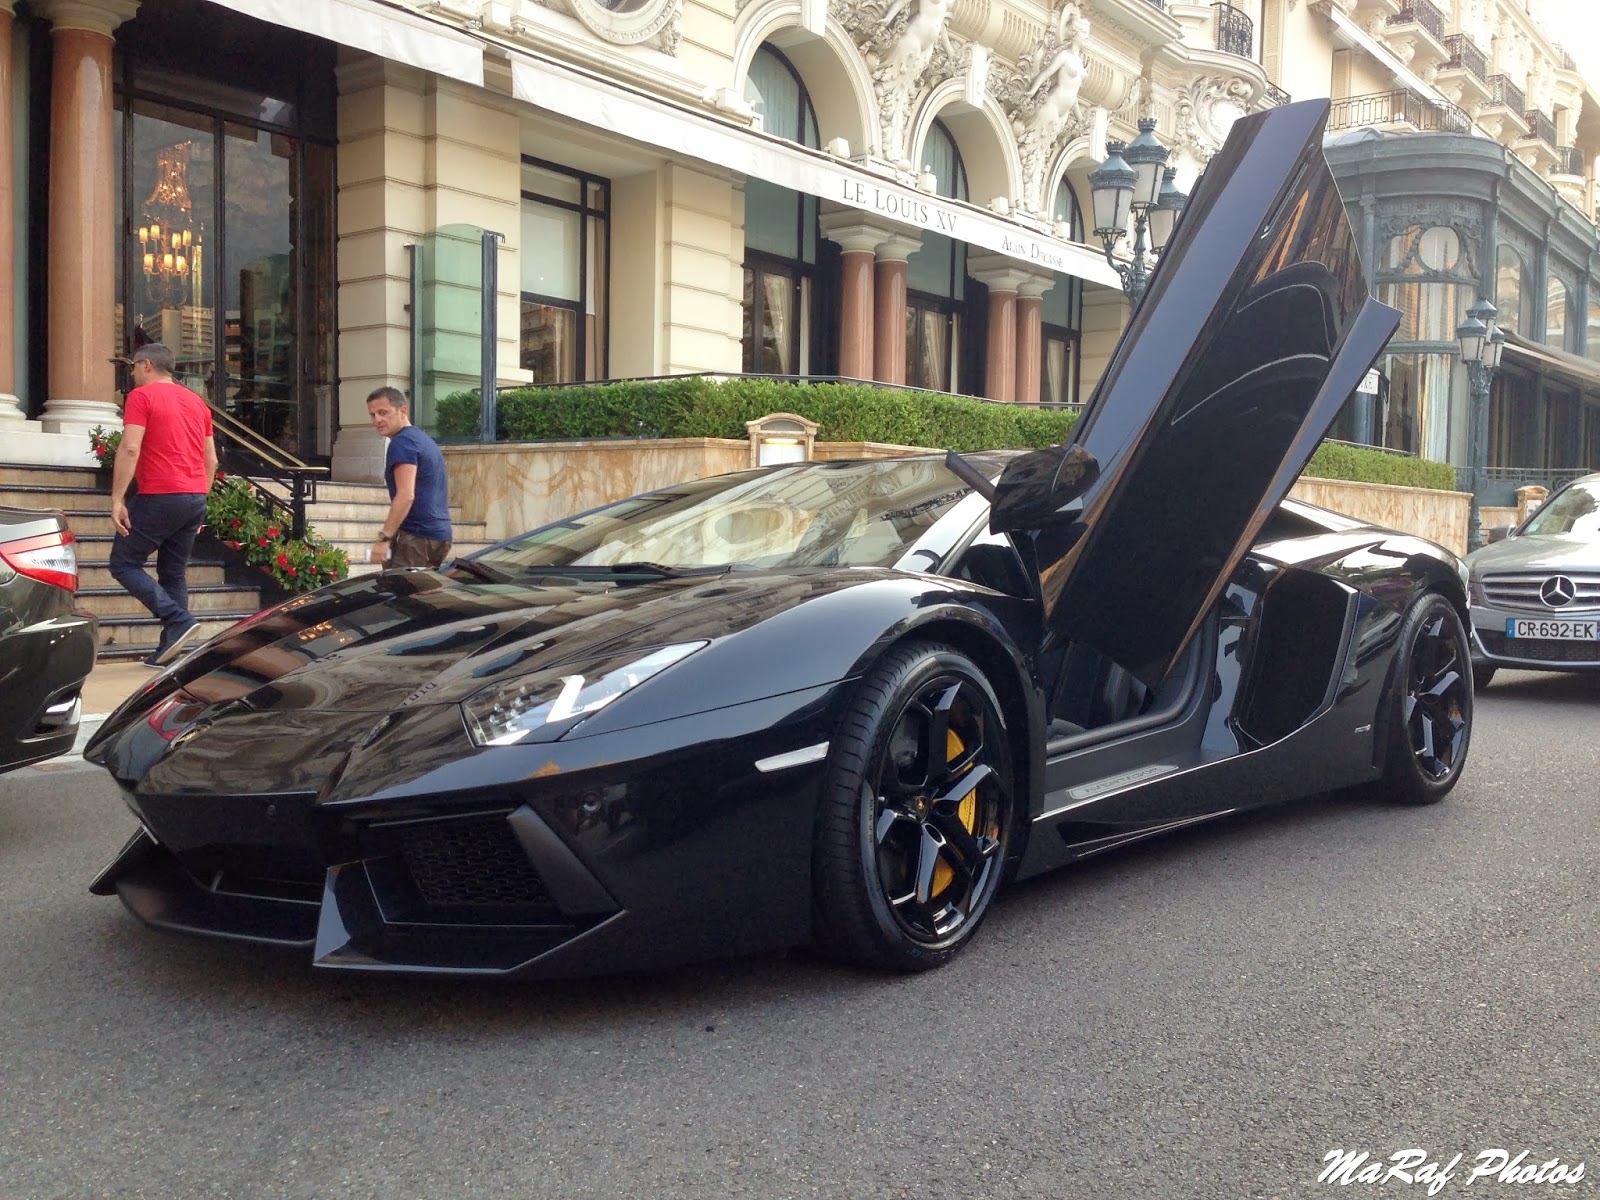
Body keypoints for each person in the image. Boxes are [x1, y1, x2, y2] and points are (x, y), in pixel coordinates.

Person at [108, 343, 218, 666]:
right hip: (195, 496)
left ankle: (178, 618)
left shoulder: (141, 397)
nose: (130, 374)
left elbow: (130, 448)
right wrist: (200, 498)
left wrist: (117, 499)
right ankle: (171, 649)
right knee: (173, 573)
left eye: (132, 367)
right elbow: (211, 460)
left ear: (145, 365)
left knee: (123, 563)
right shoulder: (198, 403)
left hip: (160, 494)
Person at [366, 386, 453, 569]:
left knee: (400, 593)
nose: (377, 420)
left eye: (383, 412)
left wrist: (384, 538)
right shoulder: (422, 439)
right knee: (421, 595)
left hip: (417, 537)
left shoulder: (402, 443)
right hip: (439, 534)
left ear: (402, 411)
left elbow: (406, 495)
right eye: (373, 415)